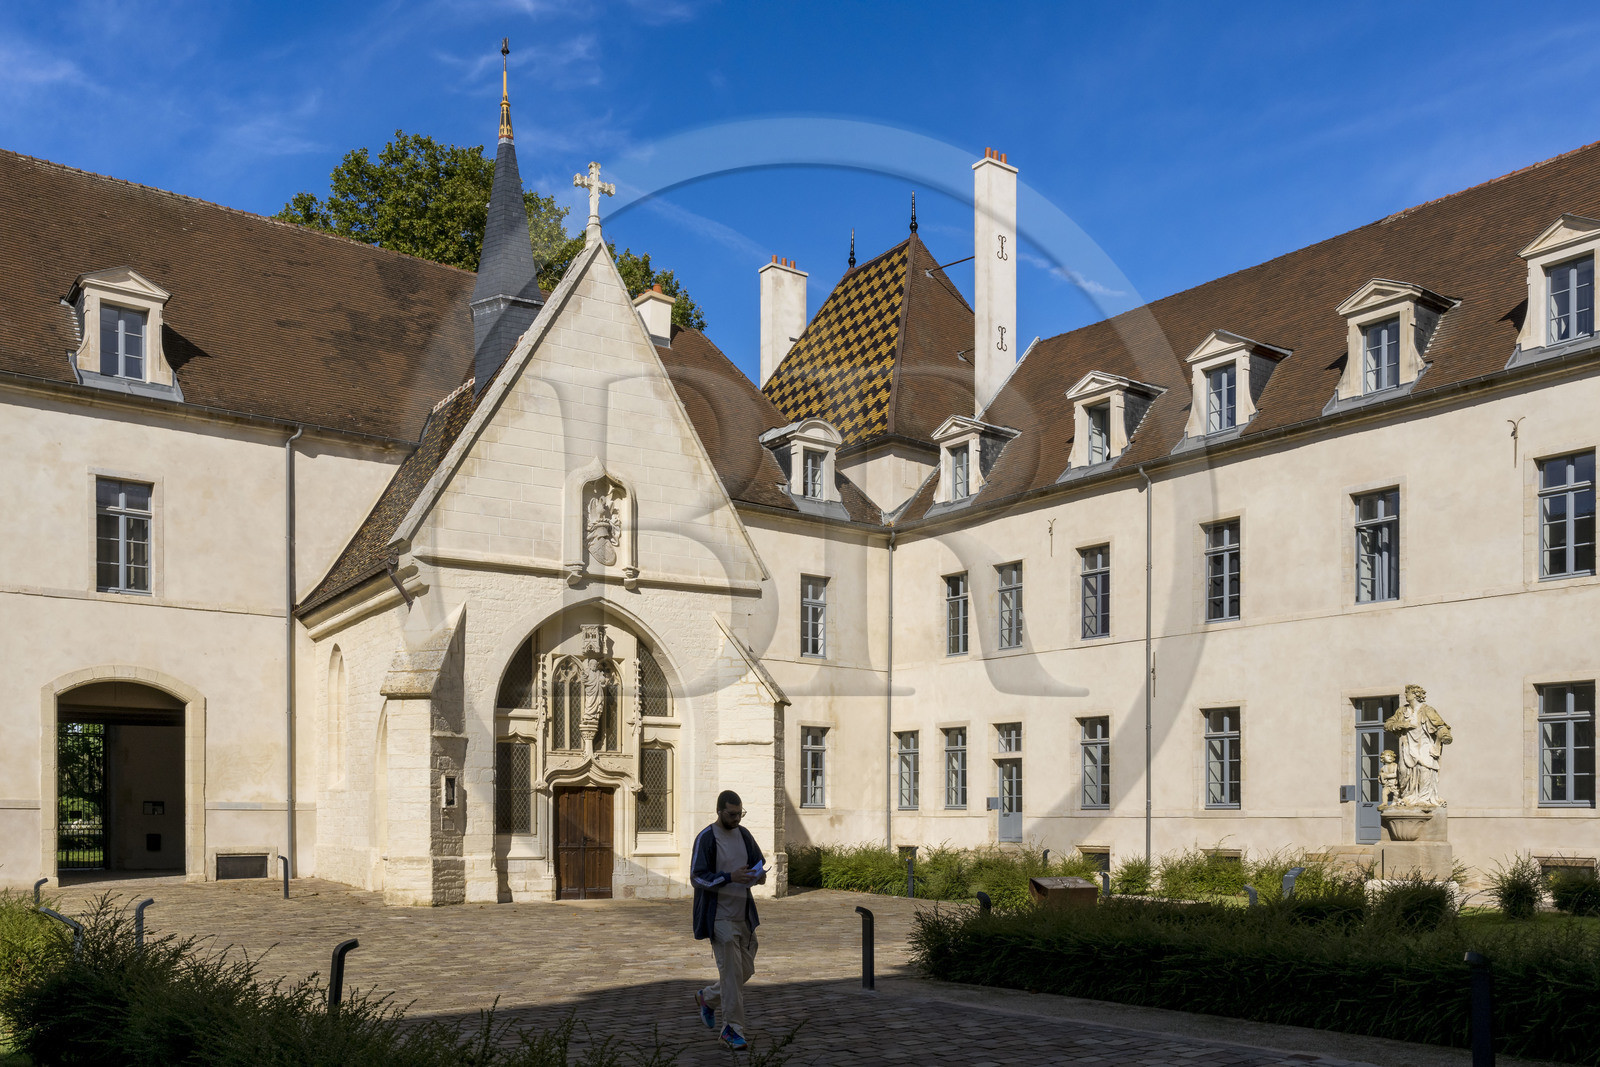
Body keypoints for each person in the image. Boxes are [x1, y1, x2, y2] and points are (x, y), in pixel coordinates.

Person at [690, 789, 767, 1051]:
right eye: (732, 814)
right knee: (732, 975)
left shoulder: (744, 835)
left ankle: (708, 997)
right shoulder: (707, 837)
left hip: (744, 915)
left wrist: (759, 875)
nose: (737, 819)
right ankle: (731, 1030)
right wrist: (729, 877)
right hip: (718, 917)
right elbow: (697, 877)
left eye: (740, 814)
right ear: (719, 811)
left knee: (745, 970)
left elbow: (759, 863)